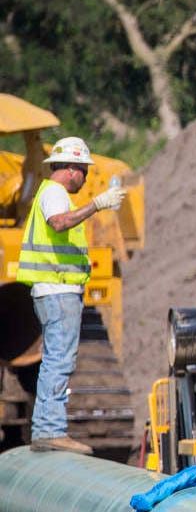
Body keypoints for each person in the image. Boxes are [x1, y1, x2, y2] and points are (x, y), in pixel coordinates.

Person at [17, 136, 125, 454]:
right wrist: (98, 204)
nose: (87, 179)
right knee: (58, 360)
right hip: (57, 289)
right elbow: (60, 223)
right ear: (71, 169)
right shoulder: (55, 193)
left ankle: (47, 428)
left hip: (57, 289)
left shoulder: (51, 193)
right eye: (85, 172)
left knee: (58, 358)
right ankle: (50, 430)